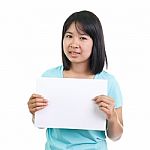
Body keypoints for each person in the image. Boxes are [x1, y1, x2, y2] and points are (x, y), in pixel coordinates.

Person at [27, 10, 123, 150]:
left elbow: (116, 136)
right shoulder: (49, 77)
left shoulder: (108, 82)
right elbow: (41, 124)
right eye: (69, 36)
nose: (73, 43)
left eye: (82, 38)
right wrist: (34, 112)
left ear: (95, 42)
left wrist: (112, 116)